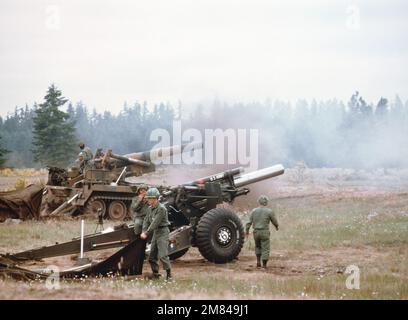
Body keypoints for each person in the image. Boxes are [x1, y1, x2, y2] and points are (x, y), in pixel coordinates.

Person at [140, 187, 172, 280]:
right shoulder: (150, 208)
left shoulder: (161, 209)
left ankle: (169, 274)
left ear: (155, 199)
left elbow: (155, 223)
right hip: (156, 232)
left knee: (163, 255)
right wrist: (143, 230)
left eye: (149, 198)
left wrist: (146, 233)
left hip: (163, 232)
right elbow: (146, 220)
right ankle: (155, 274)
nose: (148, 200)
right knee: (152, 256)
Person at [245, 195, 279, 269]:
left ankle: (258, 262)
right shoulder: (269, 211)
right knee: (265, 248)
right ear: (266, 202)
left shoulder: (254, 211)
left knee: (258, 247)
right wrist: (276, 226)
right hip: (264, 232)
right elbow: (274, 221)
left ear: (259, 202)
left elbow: (248, 222)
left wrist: (247, 231)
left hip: (256, 232)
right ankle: (264, 265)